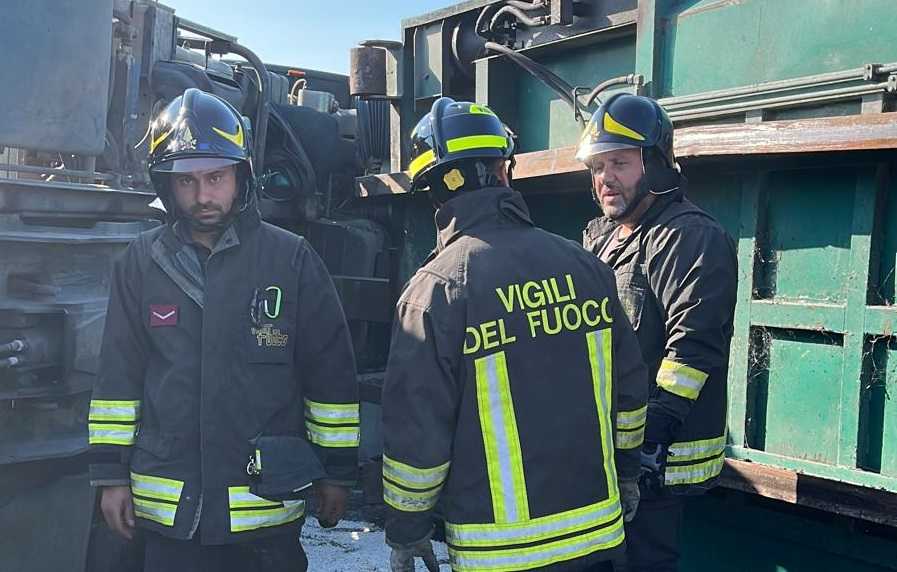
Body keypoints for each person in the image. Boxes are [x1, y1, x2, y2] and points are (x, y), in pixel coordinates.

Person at [87, 88, 359, 572]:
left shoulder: (290, 259)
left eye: (216, 177)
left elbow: (330, 376)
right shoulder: (140, 262)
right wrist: (111, 477)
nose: (203, 196)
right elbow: (118, 379)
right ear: (166, 185)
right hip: (171, 513)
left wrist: (336, 473)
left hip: (264, 516)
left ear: (241, 175)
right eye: (186, 182)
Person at [381, 97, 649, 572]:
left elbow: (416, 435)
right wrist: (628, 473)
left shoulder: (434, 292)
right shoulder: (586, 266)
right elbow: (629, 395)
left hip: (500, 554)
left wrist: (407, 530)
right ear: (505, 172)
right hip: (598, 538)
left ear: (433, 191)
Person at [577, 93, 737, 572]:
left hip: (659, 459)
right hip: (615, 450)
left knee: (645, 562)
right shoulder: (603, 235)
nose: (605, 178)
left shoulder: (690, 236)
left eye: (620, 163)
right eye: (598, 166)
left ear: (658, 163)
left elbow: (693, 349)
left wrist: (649, 442)